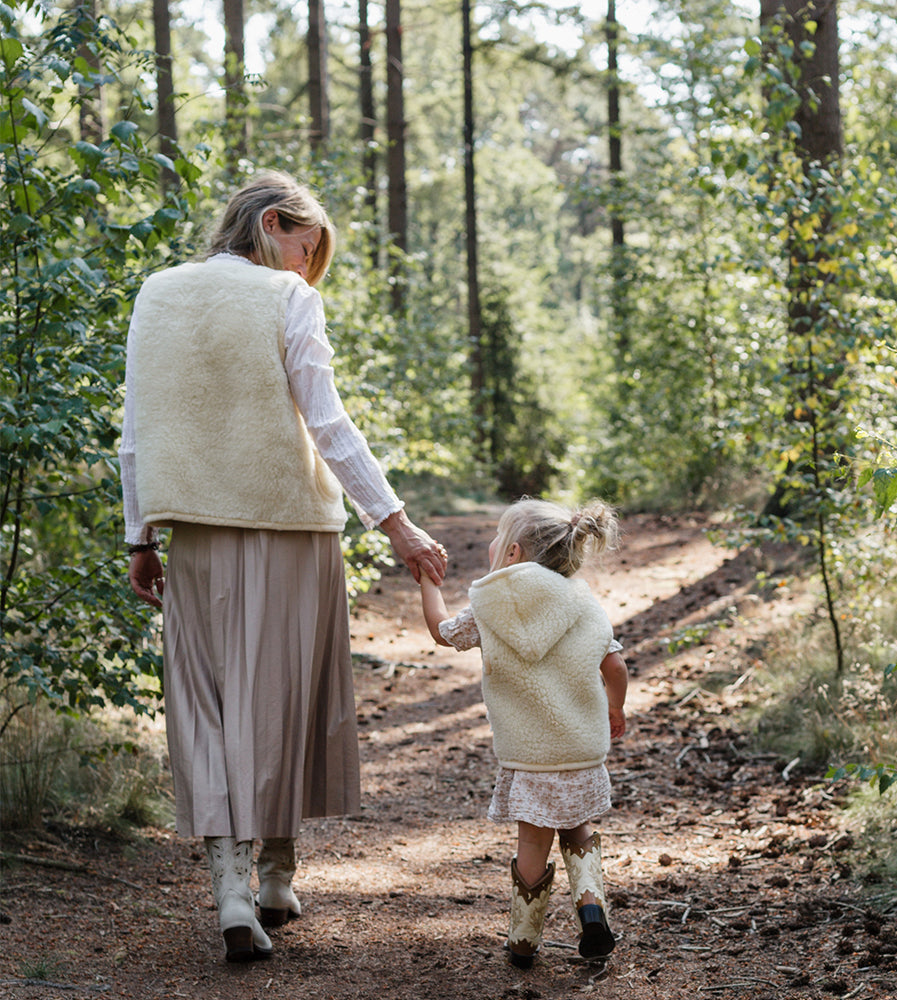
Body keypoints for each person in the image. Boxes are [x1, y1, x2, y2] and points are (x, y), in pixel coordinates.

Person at [118, 171, 448, 963]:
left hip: (192, 534)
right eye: (306, 249)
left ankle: (237, 887)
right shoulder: (285, 298)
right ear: (272, 224)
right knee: (282, 698)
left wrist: (139, 536)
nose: (306, 269)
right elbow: (327, 421)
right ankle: (273, 873)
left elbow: (134, 428)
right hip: (291, 529)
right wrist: (396, 524)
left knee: (208, 702)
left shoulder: (156, 293)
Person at [418, 498, 628, 968]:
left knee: (533, 843)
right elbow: (614, 664)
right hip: (579, 748)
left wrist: (431, 584)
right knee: (578, 827)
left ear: (511, 553)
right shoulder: (582, 600)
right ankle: (591, 907)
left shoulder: (489, 606)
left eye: (496, 536)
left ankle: (524, 940)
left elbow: (442, 632)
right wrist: (616, 706)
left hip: (529, 756)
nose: (490, 543)